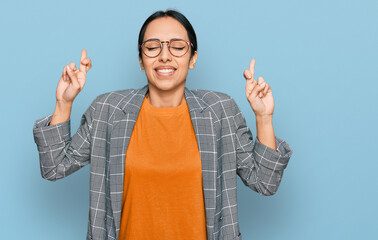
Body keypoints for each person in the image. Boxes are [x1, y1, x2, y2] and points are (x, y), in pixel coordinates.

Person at [33, 9, 292, 240]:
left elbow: (264, 182)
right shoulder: (107, 111)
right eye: (153, 46)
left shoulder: (220, 110)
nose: (165, 56)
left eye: (177, 47)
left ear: (192, 58)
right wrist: (64, 102)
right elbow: (54, 166)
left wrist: (263, 117)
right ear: (141, 58)